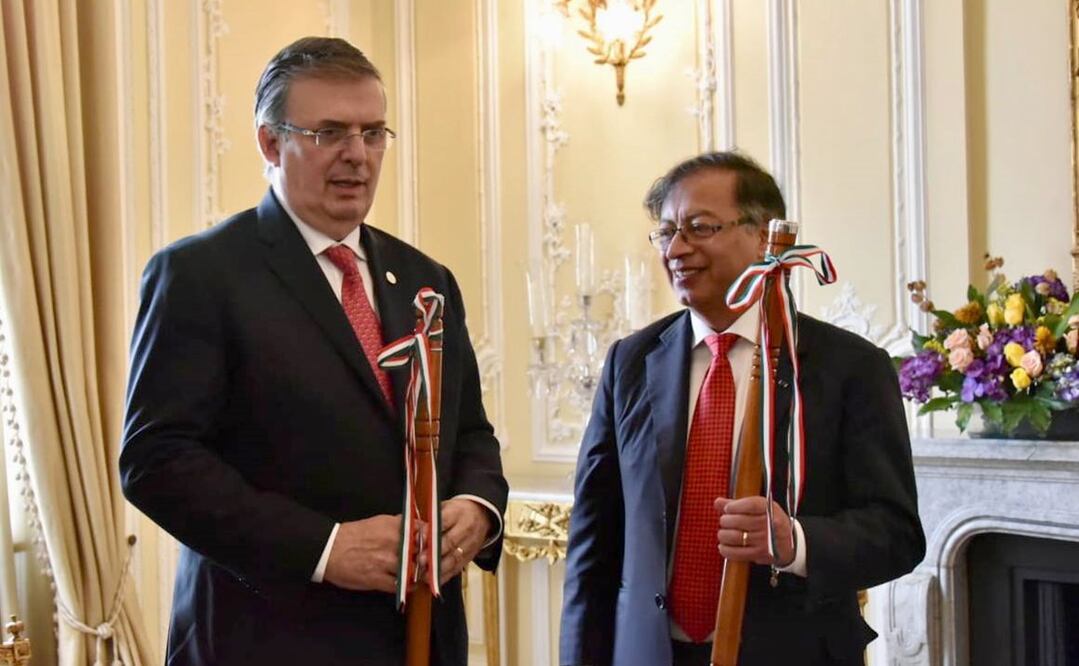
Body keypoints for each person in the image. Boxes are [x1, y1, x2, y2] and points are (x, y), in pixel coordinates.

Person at [120, 36, 507, 665]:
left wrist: (476, 507)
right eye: (329, 133)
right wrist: (324, 548)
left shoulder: (425, 277)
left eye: (373, 133)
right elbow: (156, 461)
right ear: (270, 143)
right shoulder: (199, 274)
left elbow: (470, 432)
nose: (358, 154)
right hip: (266, 638)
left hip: (419, 637)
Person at [559, 151, 925, 666]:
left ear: (765, 237)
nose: (676, 249)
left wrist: (796, 542)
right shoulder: (631, 361)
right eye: (666, 233)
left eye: (700, 228)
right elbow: (593, 541)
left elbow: (896, 533)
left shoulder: (849, 367)